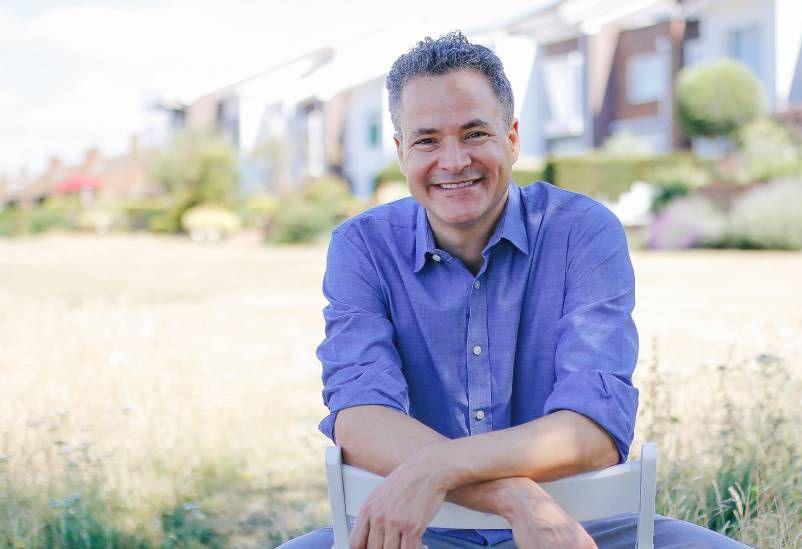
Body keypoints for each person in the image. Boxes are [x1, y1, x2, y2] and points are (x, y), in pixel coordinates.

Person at [279, 32, 748, 549]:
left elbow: (593, 430)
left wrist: (440, 465)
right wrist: (517, 498)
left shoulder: (582, 232)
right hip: (418, 528)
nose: (453, 161)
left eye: (475, 133)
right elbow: (361, 417)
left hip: (575, 528)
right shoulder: (362, 247)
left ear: (513, 137)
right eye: (427, 140)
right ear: (400, 151)